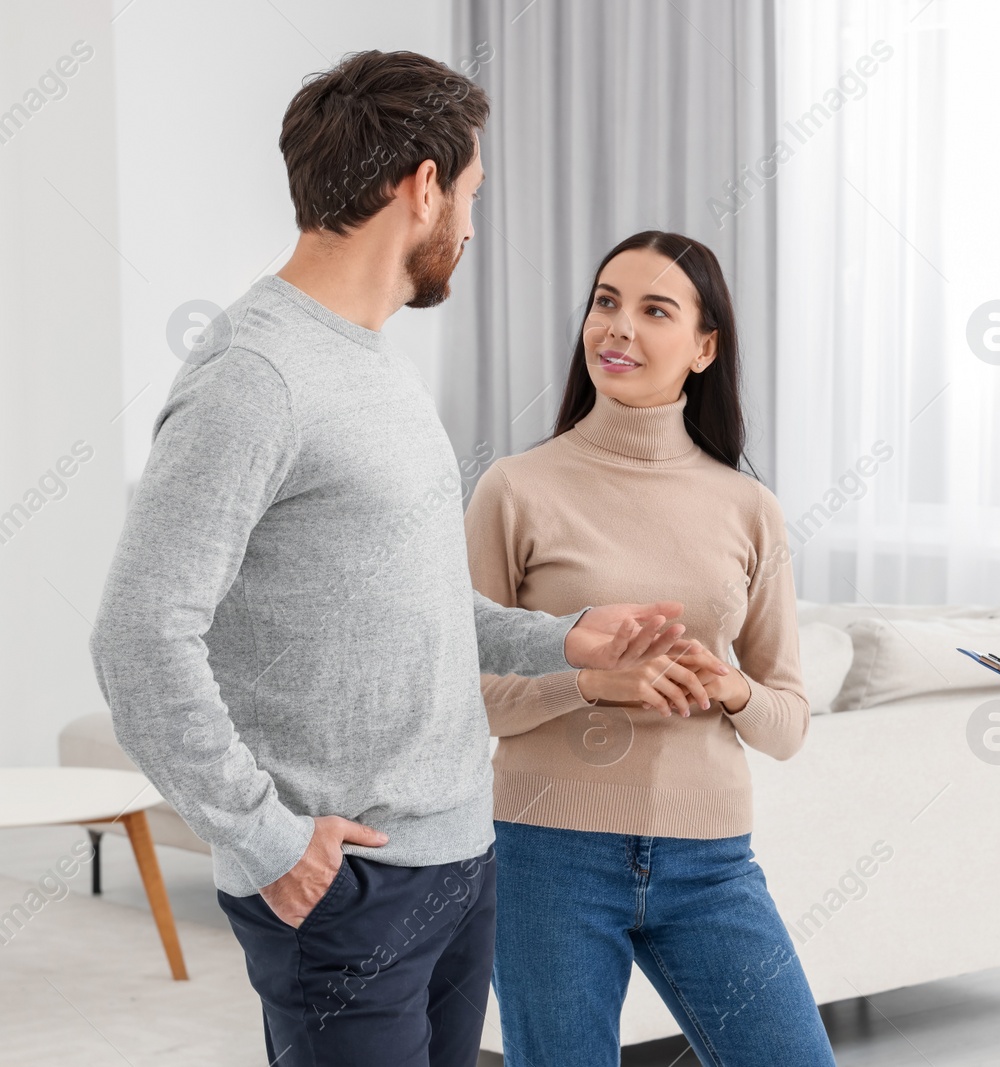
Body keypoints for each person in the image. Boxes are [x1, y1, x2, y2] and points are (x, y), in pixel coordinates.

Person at [89, 51, 710, 1067]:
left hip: (462, 856)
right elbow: (139, 631)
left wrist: (567, 638)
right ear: (421, 186)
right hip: (351, 882)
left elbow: (414, 603)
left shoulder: (372, 362)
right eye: (468, 193)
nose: (468, 225)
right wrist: (264, 835)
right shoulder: (257, 373)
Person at [464, 230, 836, 1065]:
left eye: (653, 310)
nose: (618, 328)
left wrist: (731, 689)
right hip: (546, 852)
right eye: (605, 302)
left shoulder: (749, 508)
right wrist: (594, 684)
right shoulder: (515, 488)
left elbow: (788, 721)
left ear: (704, 348)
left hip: (710, 860)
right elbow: (463, 688)